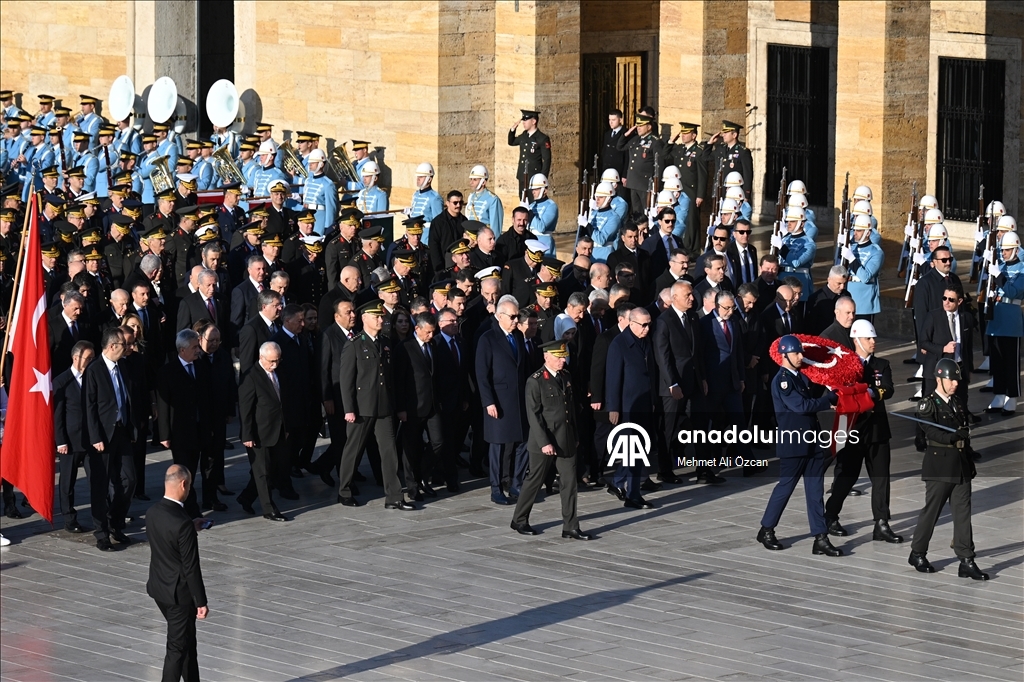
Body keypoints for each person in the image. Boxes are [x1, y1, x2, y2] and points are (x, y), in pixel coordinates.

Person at [757, 335, 843, 557]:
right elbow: (801, 406)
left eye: (800, 352)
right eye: (796, 353)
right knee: (785, 487)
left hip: (812, 441)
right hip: (794, 443)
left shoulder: (800, 376)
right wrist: (828, 400)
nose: (800, 356)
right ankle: (767, 529)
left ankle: (820, 537)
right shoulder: (782, 380)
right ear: (784, 355)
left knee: (815, 490)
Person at [908, 359, 989, 580]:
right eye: (950, 379)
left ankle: (966, 559)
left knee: (963, 513)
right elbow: (930, 432)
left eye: (956, 380)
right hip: (940, 464)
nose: (954, 383)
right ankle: (917, 552)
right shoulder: (928, 404)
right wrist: (952, 437)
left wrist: (969, 458)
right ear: (939, 379)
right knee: (932, 511)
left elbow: (965, 433)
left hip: (961, 464)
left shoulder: (958, 402)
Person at [824, 320, 902, 543]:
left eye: (873, 338)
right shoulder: (845, 365)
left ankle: (882, 522)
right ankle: (830, 516)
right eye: (869, 338)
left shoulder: (882, 364)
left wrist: (869, 391)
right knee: (847, 476)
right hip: (854, 430)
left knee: (881, 478)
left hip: (878, 430)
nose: (873, 342)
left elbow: (887, 389)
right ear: (857, 340)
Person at [335, 301, 415, 510]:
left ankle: (394, 496)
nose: (381, 320)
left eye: (381, 316)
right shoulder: (354, 345)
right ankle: (344, 491)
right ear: (365, 318)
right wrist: (349, 408)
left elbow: (390, 379)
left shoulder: (386, 342)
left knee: (389, 452)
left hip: (384, 406)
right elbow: (346, 380)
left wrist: (397, 406)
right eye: (376, 317)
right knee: (353, 449)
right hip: (362, 407)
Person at [509, 340, 592, 540]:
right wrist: (544, 442)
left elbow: (570, 410)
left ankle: (570, 526)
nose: (562, 361)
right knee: (534, 481)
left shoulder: (566, 376)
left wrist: (575, 436)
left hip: (566, 438)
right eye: (558, 357)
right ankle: (519, 519)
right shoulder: (535, 381)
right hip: (544, 441)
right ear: (546, 357)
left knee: (570, 483)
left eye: (563, 357)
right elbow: (534, 416)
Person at [146, 464, 209, 682]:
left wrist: (191, 527)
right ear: (183, 484)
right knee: (177, 649)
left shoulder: (153, 512)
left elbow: (167, 538)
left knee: (187, 643)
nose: (190, 489)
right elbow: (191, 567)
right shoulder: (181, 523)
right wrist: (201, 601)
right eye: (190, 484)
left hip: (159, 588)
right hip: (179, 596)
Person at [83, 327, 136, 552]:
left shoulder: (122, 365)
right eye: (124, 345)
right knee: (101, 485)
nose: (128, 349)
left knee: (129, 479)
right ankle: (101, 533)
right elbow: (89, 407)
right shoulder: (94, 370)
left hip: (122, 431)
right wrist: (95, 437)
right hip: (102, 436)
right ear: (113, 346)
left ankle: (115, 521)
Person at [476, 296, 530, 505]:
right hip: (498, 401)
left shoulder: (517, 336)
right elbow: (482, 374)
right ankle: (496, 488)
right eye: (513, 316)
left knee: (523, 442)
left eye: (518, 316)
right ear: (499, 316)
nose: (517, 320)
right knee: (498, 446)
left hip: (518, 400)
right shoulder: (488, 338)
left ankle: (516, 483)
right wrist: (488, 401)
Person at [605, 307, 658, 509]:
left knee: (639, 449)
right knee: (633, 451)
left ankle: (619, 482)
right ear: (631, 323)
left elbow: (650, 373)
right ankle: (633, 495)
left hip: (644, 404)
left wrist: (652, 400)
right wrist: (614, 408)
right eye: (643, 325)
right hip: (628, 407)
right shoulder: (619, 344)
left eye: (649, 324)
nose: (647, 328)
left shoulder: (645, 341)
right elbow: (613, 378)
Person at [157, 329, 211, 519]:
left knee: (192, 470)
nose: (198, 350)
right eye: (195, 347)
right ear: (182, 350)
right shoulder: (168, 372)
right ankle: (190, 510)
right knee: (183, 471)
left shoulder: (202, 367)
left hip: (199, 429)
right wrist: (164, 434)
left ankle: (186, 504)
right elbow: (163, 406)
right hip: (179, 431)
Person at [652, 281, 701, 484]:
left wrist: (702, 378)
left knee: (698, 425)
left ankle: (703, 468)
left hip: (692, 381)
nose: (692, 298)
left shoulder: (693, 317)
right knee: (669, 428)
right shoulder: (664, 321)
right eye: (687, 295)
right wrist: (672, 384)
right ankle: (665, 469)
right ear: (674, 298)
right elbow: (662, 356)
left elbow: (697, 352)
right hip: (672, 385)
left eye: (691, 294)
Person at [237, 341, 291, 521]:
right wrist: (247, 435)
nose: (274, 365)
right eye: (271, 361)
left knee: (272, 469)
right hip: (258, 434)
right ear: (261, 357)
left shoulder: (279, 372)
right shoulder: (251, 377)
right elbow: (246, 409)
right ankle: (269, 509)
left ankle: (246, 497)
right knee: (262, 472)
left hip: (277, 430)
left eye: (277, 360)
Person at [394, 312, 445, 501]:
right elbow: (399, 380)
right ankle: (412, 484)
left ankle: (422, 474)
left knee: (438, 441)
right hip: (412, 406)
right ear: (417, 329)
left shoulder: (433, 345)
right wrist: (401, 408)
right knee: (410, 447)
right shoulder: (405, 348)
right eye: (428, 332)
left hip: (432, 405)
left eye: (433, 332)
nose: (431, 336)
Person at [53, 340, 96, 534]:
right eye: (87, 358)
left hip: (90, 440)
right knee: (67, 482)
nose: (90, 362)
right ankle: (69, 518)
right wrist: (60, 440)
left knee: (95, 479)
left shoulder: (93, 377)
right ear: (75, 358)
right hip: (70, 441)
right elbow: (58, 415)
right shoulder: (62, 381)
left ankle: (99, 516)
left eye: (92, 358)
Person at [984, 232, 1023, 415]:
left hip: (1010, 319)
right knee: (997, 360)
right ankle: (999, 394)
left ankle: (1012, 397)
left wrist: (999, 276)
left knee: (1010, 361)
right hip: (996, 316)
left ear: (1016, 249)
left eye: (1007, 250)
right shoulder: (998, 266)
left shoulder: (1022, 269)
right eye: (1002, 250)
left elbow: (1014, 292)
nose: (1004, 253)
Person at [508, 110, 551, 196]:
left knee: (533, 202)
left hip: (534, 176)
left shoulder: (542, 138)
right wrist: (513, 129)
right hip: (522, 176)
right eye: (523, 120)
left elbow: (547, 160)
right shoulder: (524, 135)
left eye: (526, 120)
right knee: (523, 200)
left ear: (533, 121)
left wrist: (542, 178)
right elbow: (511, 142)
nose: (523, 122)